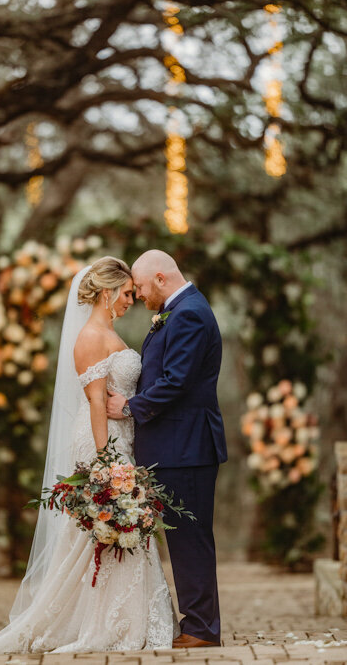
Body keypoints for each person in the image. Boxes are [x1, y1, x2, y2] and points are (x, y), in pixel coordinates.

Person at [0, 256, 178, 654]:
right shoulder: (91, 337)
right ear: (107, 293)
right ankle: (106, 622)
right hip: (103, 438)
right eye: (127, 293)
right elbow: (95, 403)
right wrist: (106, 461)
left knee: (112, 527)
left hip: (118, 434)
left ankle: (123, 615)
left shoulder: (107, 331)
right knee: (106, 524)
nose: (132, 300)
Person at [107, 249, 227, 648]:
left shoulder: (190, 313)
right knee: (185, 536)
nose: (139, 295)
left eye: (140, 287)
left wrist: (127, 407)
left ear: (160, 278)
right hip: (177, 444)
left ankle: (202, 628)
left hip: (187, 445)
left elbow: (176, 382)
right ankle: (197, 621)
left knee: (190, 536)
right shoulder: (181, 310)